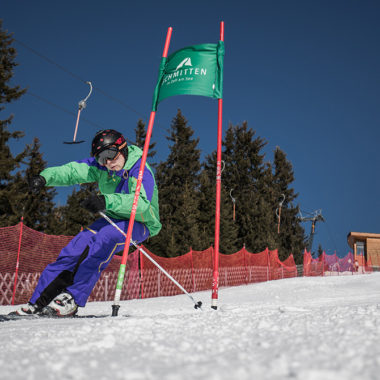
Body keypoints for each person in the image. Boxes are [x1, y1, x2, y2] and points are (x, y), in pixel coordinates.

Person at [13, 129, 161, 317]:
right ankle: (38, 302)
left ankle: (71, 298)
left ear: (122, 149)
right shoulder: (104, 168)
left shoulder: (139, 169)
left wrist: (107, 201)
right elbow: (73, 171)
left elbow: (142, 204)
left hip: (141, 222)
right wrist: (45, 177)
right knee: (77, 246)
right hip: (114, 217)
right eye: (101, 159)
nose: (107, 163)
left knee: (105, 238)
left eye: (110, 155)